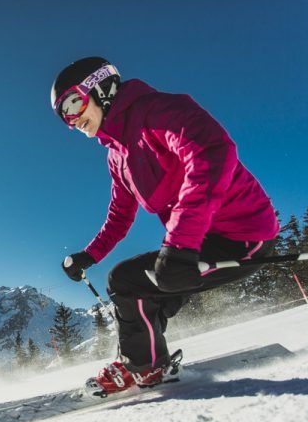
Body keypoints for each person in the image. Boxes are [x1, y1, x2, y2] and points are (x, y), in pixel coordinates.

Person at [51, 57, 279, 395]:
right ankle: (145, 360)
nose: (72, 121)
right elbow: (120, 213)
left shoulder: (158, 112)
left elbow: (211, 153)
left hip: (242, 237)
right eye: (63, 116)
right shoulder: (117, 154)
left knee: (126, 282)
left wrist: (180, 244)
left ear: (100, 87)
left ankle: (145, 367)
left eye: (72, 104)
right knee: (145, 289)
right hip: (200, 241)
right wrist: (89, 255)